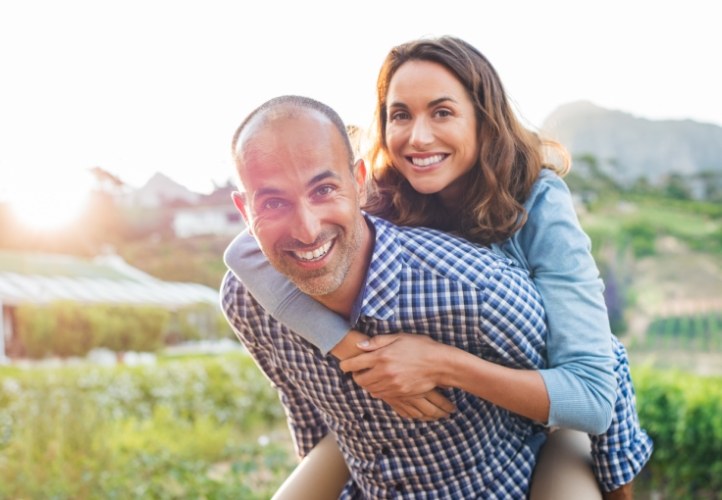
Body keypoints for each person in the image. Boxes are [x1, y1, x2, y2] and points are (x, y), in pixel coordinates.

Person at [224, 36, 652, 499]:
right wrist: (351, 349)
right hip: (412, 431)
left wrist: (441, 363)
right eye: (401, 115)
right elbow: (245, 255)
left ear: (482, 120)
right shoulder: (381, 193)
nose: (418, 136)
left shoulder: (538, 203)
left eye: (442, 112)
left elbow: (593, 379)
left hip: (541, 406)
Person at [223, 94, 561, 497]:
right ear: (245, 213)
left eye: (324, 189)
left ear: (359, 181)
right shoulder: (248, 302)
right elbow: (310, 422)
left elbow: (598, 381)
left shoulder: (475, 290)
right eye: (274, 202)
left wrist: (448, 365)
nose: (307, 230)